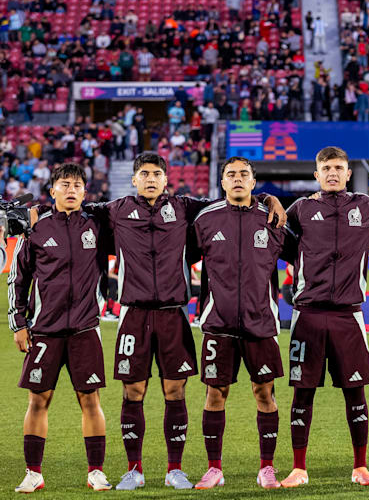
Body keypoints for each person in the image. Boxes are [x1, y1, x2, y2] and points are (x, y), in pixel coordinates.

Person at [84, 153, 283, 491]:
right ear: (134, 180)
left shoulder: (186, 208)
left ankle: (174, 469)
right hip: (133, 313)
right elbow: (75, 208)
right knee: (133, 390)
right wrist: (38, 211)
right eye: (144, 174)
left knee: (175, 389)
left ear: (166, 179)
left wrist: (267, 198)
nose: (150, 179)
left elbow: (235, 197)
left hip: (173, 313)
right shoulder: (116, 210)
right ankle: (134, 470)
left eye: (156, 174)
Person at [277, 147, 369, 488]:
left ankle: (361, 467)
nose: (332, 173)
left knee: (355, 393)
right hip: (307, 315)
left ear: (348, 173)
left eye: (338, 167)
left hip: (348, 316)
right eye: (326, 168)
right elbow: (280, 239)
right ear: (316, 174)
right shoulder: (301, 208)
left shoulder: (366, 206)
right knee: (303, 393)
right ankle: (298, 468)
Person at [10, 164, 113, 493]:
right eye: (64, 184)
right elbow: (18, 278)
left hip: (85, 328)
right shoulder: (35, 227)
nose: (71, 189)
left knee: (90, 400)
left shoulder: (97, 225)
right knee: (38, 400)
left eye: (77, 185)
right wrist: (18, 324)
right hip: (44, 330)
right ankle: (33, 473)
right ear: (52, 190)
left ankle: (96, 472)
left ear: (85, 192)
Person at [190, 157, 290, 489]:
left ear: (253, 182)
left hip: (261, 324)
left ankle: (267, 468)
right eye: (230, 174)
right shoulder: (205, 219)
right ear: (222, 182)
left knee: (264, 393)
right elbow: (180, 256)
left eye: (243, 174)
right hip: (218, 324)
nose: (237, 179)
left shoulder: (272, 219)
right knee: (215, 393)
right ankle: (214, 469)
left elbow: (305, 254)